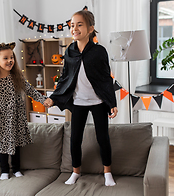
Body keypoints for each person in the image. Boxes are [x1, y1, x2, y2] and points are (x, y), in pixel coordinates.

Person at [44, 10, 118, 186]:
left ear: (91, 28)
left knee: (103, 138)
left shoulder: (99, 51)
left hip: (98, 102)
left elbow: (106, 79)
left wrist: (111, 103)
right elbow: (65, 77)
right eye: (72, 25)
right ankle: (75, 171)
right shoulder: (70, 51)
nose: (74, 28)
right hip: (78, 102)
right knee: (75, 138)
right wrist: (53, 98)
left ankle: (107, 172)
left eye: (79, 24)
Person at [0, 42, 52, 180]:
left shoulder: (17, 77)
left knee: (16, 145)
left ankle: (16, 169)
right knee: (2, 146)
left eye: (12, 57)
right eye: (5, 58)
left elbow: (30, 90)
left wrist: (42, 99)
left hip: (16, 118)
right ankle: (4, 170)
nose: (10, 61)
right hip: (0, 119)